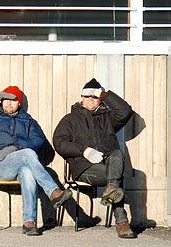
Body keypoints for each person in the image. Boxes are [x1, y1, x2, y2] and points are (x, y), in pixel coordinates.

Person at [0, 86, 73, 236]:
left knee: (28, 171)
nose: (9, 103)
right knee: (28, 154)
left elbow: (38, 141)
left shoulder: (27, 120)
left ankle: (29, 222)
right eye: (5, 99)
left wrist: (16, 147)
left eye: (13, 100)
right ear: (1, 102)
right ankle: (53, 191)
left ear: (19, 103)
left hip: (20, 162)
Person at [53, 78, 136, 238]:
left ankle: (111, 190)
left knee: (117, 155)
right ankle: (122, 222)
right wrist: (83, 150)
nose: (90, 99)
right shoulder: (70, 119)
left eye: (95, 96)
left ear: (100, 99)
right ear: (81, 98)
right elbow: (59, 142)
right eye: (87, 96)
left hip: (108, 164)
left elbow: (125, 111)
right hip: (84, 167)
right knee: (116, 176)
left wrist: (105, 94)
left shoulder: (107, 118)